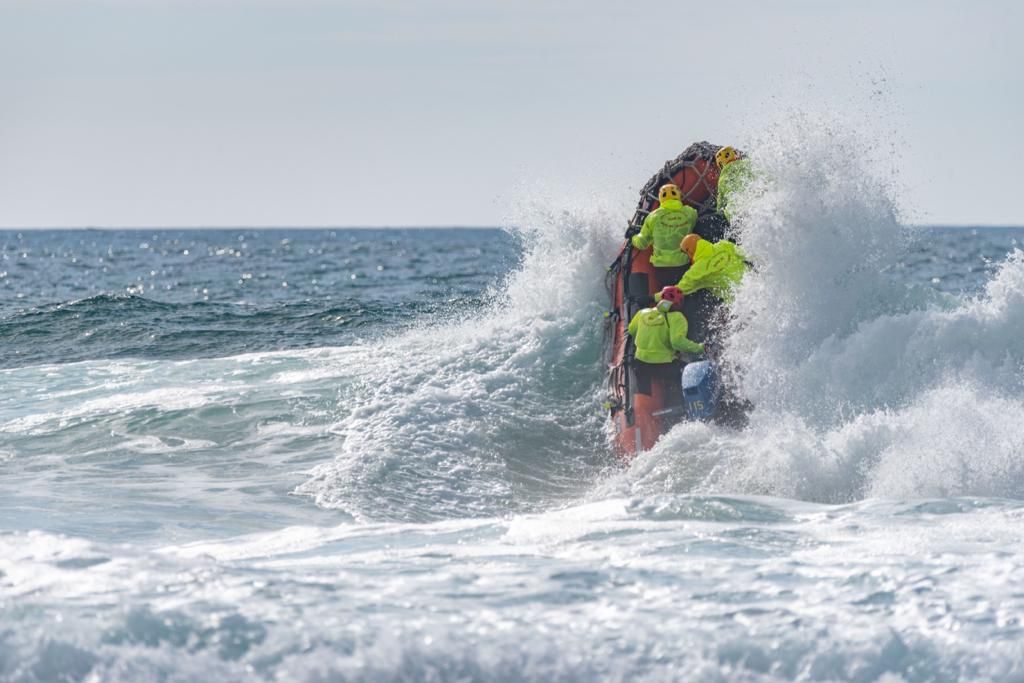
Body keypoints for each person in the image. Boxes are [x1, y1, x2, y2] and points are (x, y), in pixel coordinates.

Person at [627, 286, 705, 395]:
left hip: (640, 364)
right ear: (679, 304)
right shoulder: (677, 317)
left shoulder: (642, 313)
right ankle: (682, 402)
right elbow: (677, 342)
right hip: (663, 366)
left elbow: (631, 330)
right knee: (689, 374)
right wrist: (700, 348)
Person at [631, 183, 698, 287]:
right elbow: (694, 224)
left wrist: (633, 237)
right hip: (683, 263)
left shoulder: (652, 216)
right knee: (684, 288)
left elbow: (642, 243)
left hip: (661, 266)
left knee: (667, 291)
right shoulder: (690, 213)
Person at [677, 233, 747, 304]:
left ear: (689, 251)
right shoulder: (724, 245)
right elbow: (747, 255)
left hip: (740, 301)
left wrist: (665, 305)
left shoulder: (697, 269)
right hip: (754, 282)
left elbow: (675, 291)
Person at [715, 146, 754, 224]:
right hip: (754, 203)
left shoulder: (722, 179)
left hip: (736, 213)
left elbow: (720, 205)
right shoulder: (748, 164)